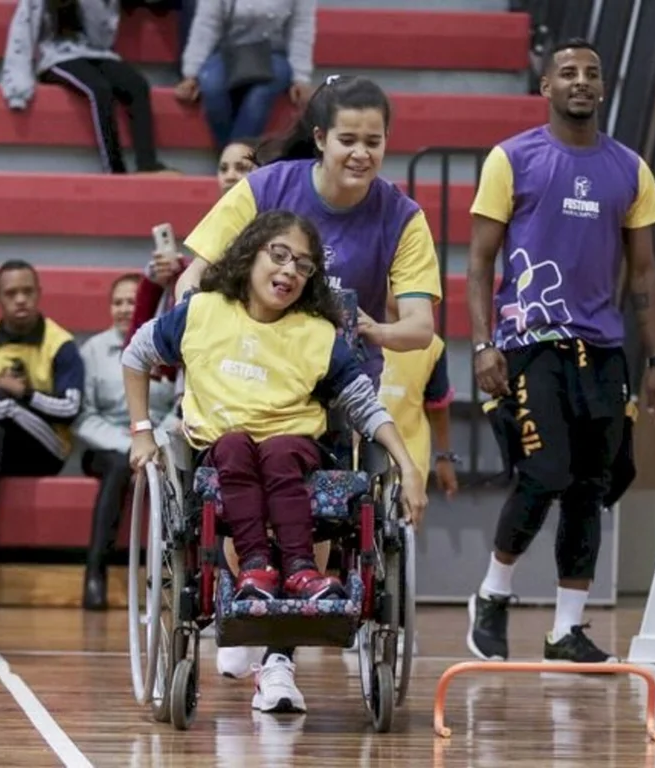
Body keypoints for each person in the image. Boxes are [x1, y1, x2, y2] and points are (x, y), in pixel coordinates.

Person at [174, 74, 442, 686]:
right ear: (320, 138)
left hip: (331, 380)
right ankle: (247, 598)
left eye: (374, 141)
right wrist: (198, 336)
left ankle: (279, 654)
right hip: (248, 373)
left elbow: (420, 327)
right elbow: (196, 276)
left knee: (320, 500)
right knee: (242, 466)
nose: (361, 153)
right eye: (348, 138)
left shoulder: (402, 216)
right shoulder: (267, 187)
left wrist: (369, 329)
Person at [122, 210, 427, 713]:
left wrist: (408, 466)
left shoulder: (317, 333)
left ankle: (302, 571)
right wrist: (140, 433)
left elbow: (365, 406)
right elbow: (137, 355)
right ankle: (256, 570)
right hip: (221, 447)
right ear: (250, 255)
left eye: (303, 266)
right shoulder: (202, 312)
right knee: (237, 446)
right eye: (278, 256)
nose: (288, 272)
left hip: (295, 449)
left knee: (281, 450)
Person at [464, 39, 655, 665]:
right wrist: (482, 343)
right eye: (568, 73)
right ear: (546, 88)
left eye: (592, 73)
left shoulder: (631, 169)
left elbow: (643, 273)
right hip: (530, 342)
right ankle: (493, 595)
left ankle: (567, 630)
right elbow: (479, 260)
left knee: (591, 486)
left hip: (602, 348)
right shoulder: (512, 158)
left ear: (602, 89)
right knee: (545, 473)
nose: (581, 81)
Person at [0, 260, 86, 553]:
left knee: (4, 400)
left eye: (27, 291)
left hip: (48, 448)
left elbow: (71, 409)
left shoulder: (60, 344)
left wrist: (26, 395)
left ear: (38, 293)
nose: (20, 299)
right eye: (11, 293)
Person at [74, 273, 177, 609]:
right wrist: (130, 443)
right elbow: (83, 415)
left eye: (130, 302)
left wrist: (152, 442)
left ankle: (164, 579)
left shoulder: (167, 348)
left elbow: (180, 407)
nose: (123, 308)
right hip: (107, 447)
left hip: (159, 443)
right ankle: (95, 574)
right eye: (117, 302)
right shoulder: (92, 350)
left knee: (173, 476)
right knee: (119, 467)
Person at [1, 0, 171, 174]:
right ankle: (114, 170)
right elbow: (22, 32)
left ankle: (147, 163)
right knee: (99, 90)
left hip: (98, 53)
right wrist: (18, 87)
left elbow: (102, 39)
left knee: (137, 85)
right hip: (56, 57)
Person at [126, 138, 258, 353]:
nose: (230, 176)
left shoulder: (271, 231)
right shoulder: (210, 229)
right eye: (223, 169)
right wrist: (166, 278)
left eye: (241, 168)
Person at [175, 0, 316, 150]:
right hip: (227, 52)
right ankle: (233, 159)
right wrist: (191, 73)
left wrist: (301, 77)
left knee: (258, 96)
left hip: (274, 54)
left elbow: (301, 28)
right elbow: (206, 25)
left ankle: (237, 159)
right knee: (212, 87)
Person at [378, 293, 458, 500]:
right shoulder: (355, 335)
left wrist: (443, 457)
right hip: (358, 458)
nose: (407, 294)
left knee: (404, 527)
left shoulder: (431, 346)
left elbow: (437, 406)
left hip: (409, 460)